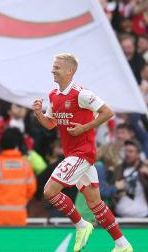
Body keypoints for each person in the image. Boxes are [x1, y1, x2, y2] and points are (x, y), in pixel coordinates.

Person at [32, 53, 132, 252]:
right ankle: (122, 244)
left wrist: (84, 128)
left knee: (49, 191)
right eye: (53, 66)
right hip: (73, 154)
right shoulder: (53, 94)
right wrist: (38, 114)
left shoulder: (82, 94)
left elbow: (108, 112)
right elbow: (51, 124)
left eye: (57, 67)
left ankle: (81, 225)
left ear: (69, 71)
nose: (53, 70)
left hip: (83, 153)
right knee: (95, 203)